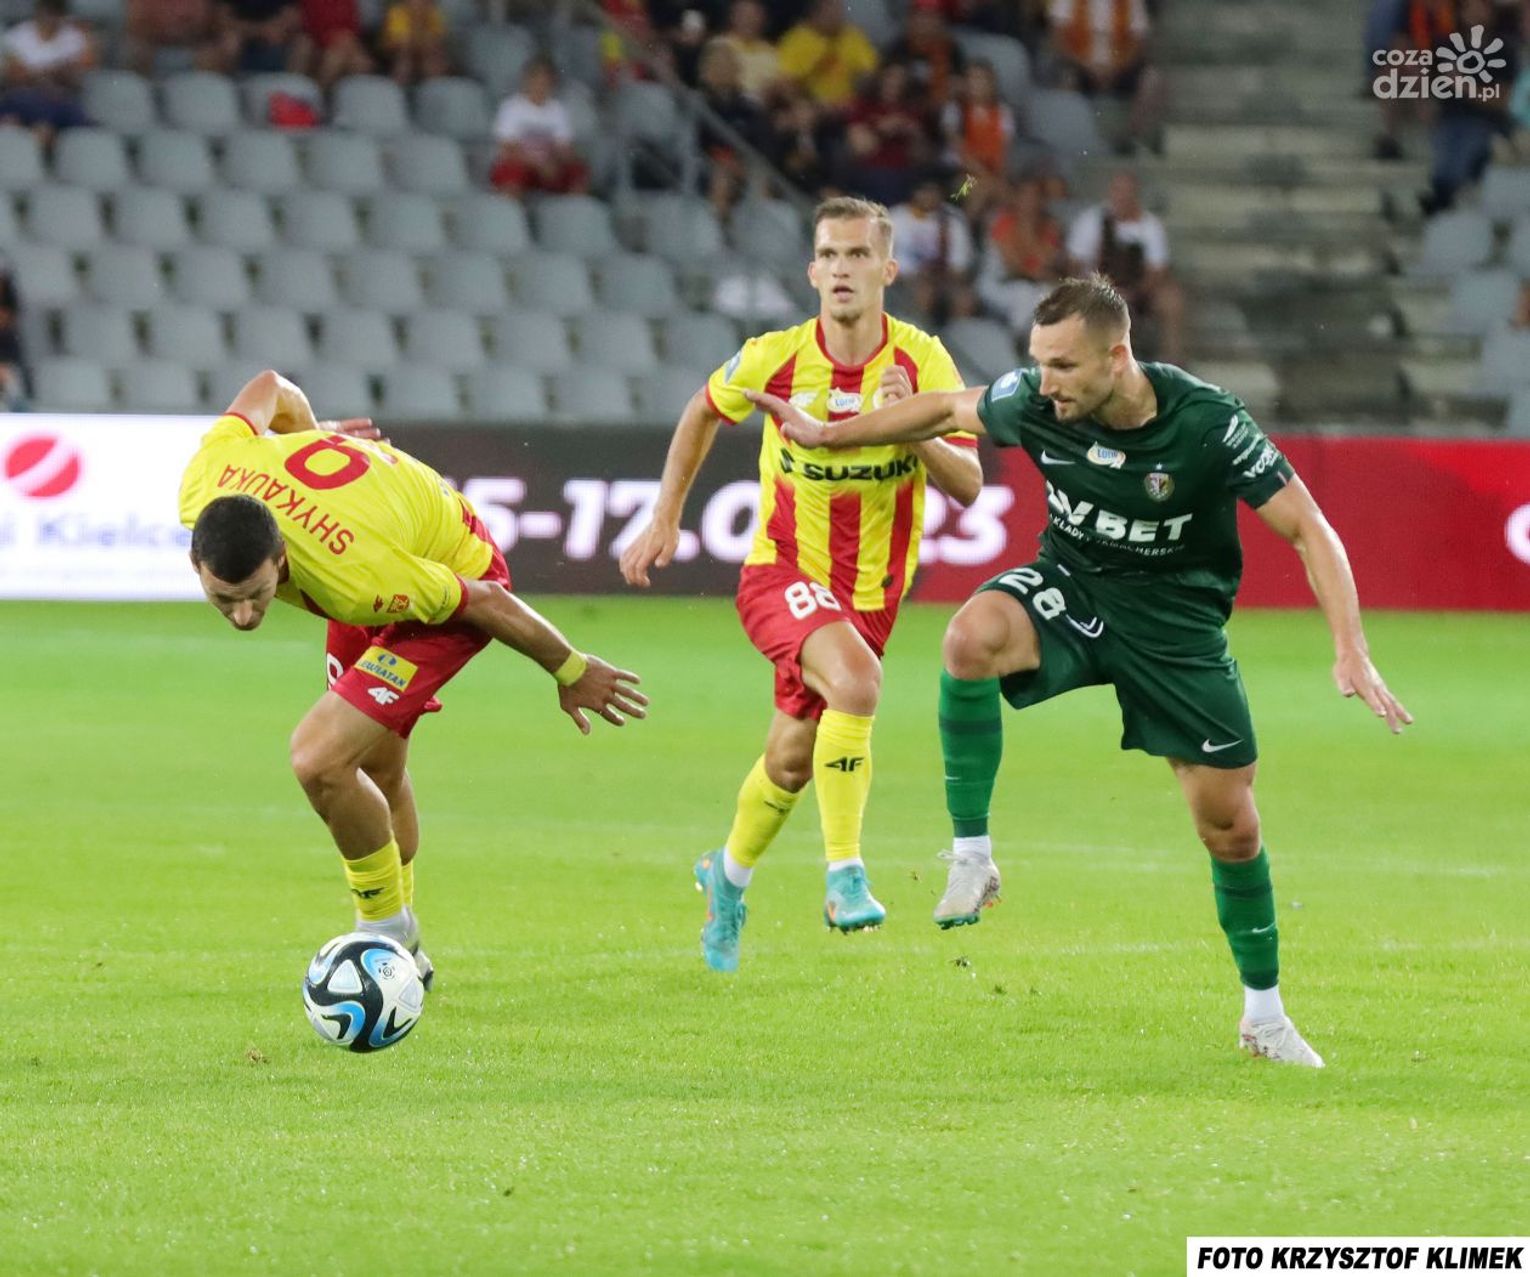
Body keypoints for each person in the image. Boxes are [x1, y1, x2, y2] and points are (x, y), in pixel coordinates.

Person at [749, 274, 1413, 1066]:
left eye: (1063, 365)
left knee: (1229, 824)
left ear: (1116, 357)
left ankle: (1263, 1016)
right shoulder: (1036, 400)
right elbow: (944, 408)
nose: (1046, 381)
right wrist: (829, 436)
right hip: (1072, 588)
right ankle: (973, 857)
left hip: (1174, 627)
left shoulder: (1207, 422)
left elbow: (1308, 527)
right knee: (969, 637)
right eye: (1039, 361)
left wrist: (1351, 646)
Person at [178, 371, 647, 986]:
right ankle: (405, 954)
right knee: (376, 772)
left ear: (282, 557)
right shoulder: (204, 478)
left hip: (449, 576)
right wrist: (312, 435)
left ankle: (385, 930)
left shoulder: (361, 577)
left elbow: (487, 599)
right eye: (224, 598)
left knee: (319, 759)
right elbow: (270, 385)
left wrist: (571, 668)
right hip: (374, 548)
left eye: (257, 594)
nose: (243, 616)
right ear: (195, 561)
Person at [620, 196, 983, 973]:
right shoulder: (775, 357)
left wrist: (916, 426)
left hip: (871, 597)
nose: (842, 269)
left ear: (888, 269)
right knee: (858, 680)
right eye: (830, 255)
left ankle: (726, 877)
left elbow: (970, 484)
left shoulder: (923, 363)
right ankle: (844, 875)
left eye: (859, 255)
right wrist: (665, 516)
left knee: (791, 758)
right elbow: (702, 410)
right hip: (781, 572)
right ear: (812, 270)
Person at [1066, 171, 1184, 363]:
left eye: (1128, 192)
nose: (1122, 197)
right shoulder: (1091, 221)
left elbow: (1158, 271)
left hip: (1139, 290)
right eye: (1118, 191)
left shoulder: (1150, 225)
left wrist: (1136, 292)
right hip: (1098, 288)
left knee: (1172, 300)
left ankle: (1172, 362)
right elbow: (1074, 264)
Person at [489, 56, 590, 199]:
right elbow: (508, 148)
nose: (541, 86)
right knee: (510, 171)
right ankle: (512, 209)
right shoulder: (511, 107)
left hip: (549, 165)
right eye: (537, 80)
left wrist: (555, 162)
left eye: (546, 81)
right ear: (527, 81)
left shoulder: (558, 109)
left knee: (577, 170)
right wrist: (538, 164)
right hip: (523, 164)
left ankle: (573, 209)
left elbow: (564, 148)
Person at [0, 0, 96, 140]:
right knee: (27, 114)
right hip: (25, 96)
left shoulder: (74, 36)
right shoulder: (17, 35)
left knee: (79, 122)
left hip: (61, 98)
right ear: (39, 11)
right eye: (49, 10)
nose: (52, 17)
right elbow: (16, 75)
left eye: (57, 11)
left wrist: (39, 72)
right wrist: (53, 71)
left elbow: (77, 74)